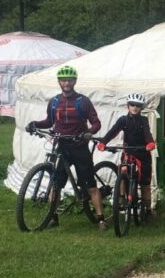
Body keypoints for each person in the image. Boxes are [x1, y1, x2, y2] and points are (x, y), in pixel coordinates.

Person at [25, 65, 107, 230]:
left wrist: (89, 133)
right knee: (56, 184)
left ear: (74, 81)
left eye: (69, 80)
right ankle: (53, 217)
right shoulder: (54, 102)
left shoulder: (83, 102)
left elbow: (96, 123)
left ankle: (101, 219)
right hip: (61, 146)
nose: (66, 83)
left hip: (79, 147)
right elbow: (49, 122)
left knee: (90, 186)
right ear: (59, 82)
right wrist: (34, 124)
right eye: (63, 80)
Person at [96, 93, 156, 223]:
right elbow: (113, 131)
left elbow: (147, 134)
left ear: (141, 107)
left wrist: (150, 143)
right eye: (132, 105)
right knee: (122, 170)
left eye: (138, 106)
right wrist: (103, 142)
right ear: (128, 106)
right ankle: (122, 197)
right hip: (128, 152)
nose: (135, 107)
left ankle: (148, 210)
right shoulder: (123, 120)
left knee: (145, 184)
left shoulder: (143, 120)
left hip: (143, 153)